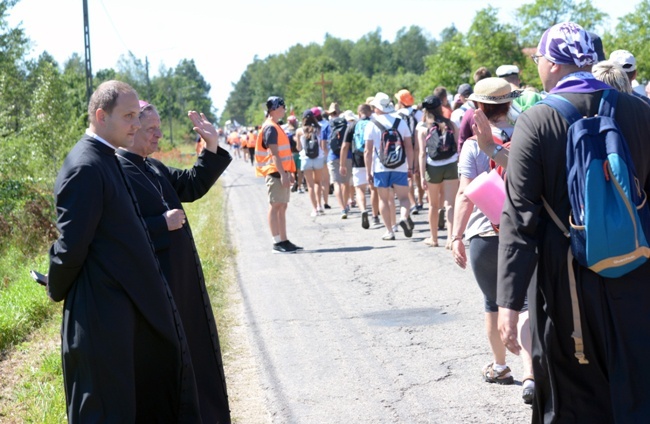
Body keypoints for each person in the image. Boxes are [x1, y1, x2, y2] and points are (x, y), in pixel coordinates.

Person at [497, 22, 650, 422]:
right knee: (635, 381)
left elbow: (519, 216)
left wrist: (509, 302)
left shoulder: (536, 120)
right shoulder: (638, 111)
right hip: (635, 268)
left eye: (538, 59)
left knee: (572, 393)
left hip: (566, 281)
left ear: (552, 64)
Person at [47, 80, 201, 422]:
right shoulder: (86, 167)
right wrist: (56, 287)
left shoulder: (107, 159)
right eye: (129, 115)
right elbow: (72, 247)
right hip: (99, 313)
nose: (137, 123)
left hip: (118, 309)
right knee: (104, 407)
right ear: (102, 116)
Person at [116, 101, 232, 423]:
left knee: (194, 358)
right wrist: (159, 225)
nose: (158, 135)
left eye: (159, 127)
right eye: (151, 128)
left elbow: (192, 184)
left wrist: (211, 146)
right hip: (156, 292)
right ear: (131, 129)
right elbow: (114, 234)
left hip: (182, 286)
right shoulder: (117, 172)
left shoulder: (152, 166)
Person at [449, 77, 535, 404]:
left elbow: (464, 194)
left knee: (492, 302)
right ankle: (531, 370)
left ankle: (501, 367)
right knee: (525, 302)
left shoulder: (473, 145)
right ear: (509, 102)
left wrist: (455, 235)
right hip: (523, 232)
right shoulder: (527, 136)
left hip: (484, 234)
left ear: (479, 107)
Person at [364, 92, 414, 241]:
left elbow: (367, 151)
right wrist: (410, 167)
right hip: (400, 166)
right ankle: (404, 217)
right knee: (404, 198)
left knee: (384, 200)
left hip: (381, 167)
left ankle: (389, 231)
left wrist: (368, 172)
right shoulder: (400, 122)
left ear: (377, 108)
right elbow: (409, 147)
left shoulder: (371, 124)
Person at [255, 96, 302, 253]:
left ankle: (284, 239)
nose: (284, 110)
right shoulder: (270, 127)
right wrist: (283, 174)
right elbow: (274, 153)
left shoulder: (275, 126)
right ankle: (277, 242)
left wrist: (288, 172)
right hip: (275, 171)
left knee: (282, 205)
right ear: (274, 108)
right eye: (282, 107)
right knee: (275, 206)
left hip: (280, 171)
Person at [416, 95, 459, 248]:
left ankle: (434, 239)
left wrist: (422, 176)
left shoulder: (423, 129)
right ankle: (450, 239)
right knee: (450, 204)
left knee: (433, 205)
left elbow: (422, 154)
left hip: (432, 167)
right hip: (451, 165)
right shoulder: (451, 125)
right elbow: (458, 148)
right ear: (441, 107)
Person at [295, 109, 326, 216]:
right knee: (318, 182)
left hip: (306, 159)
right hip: (318, 157)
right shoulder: (318, 129)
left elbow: (298, 148)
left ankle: (314, 209)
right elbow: (321, 144)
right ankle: (320, 205)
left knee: (310, 185)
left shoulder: (299, 131)